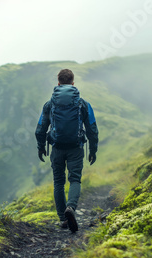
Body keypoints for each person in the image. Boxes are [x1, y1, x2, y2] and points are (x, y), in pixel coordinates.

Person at [35, 69, 99, 233]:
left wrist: (41, 147)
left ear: (58, 84)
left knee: (58, 181)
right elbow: (92, 128)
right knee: (75, 179)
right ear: (72, 83)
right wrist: (93, 150)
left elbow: (40, 128)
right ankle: (70, 207)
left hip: (56, 148)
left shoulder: (49, 104)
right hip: (76, 148)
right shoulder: (83, 104)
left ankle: (63, 219)